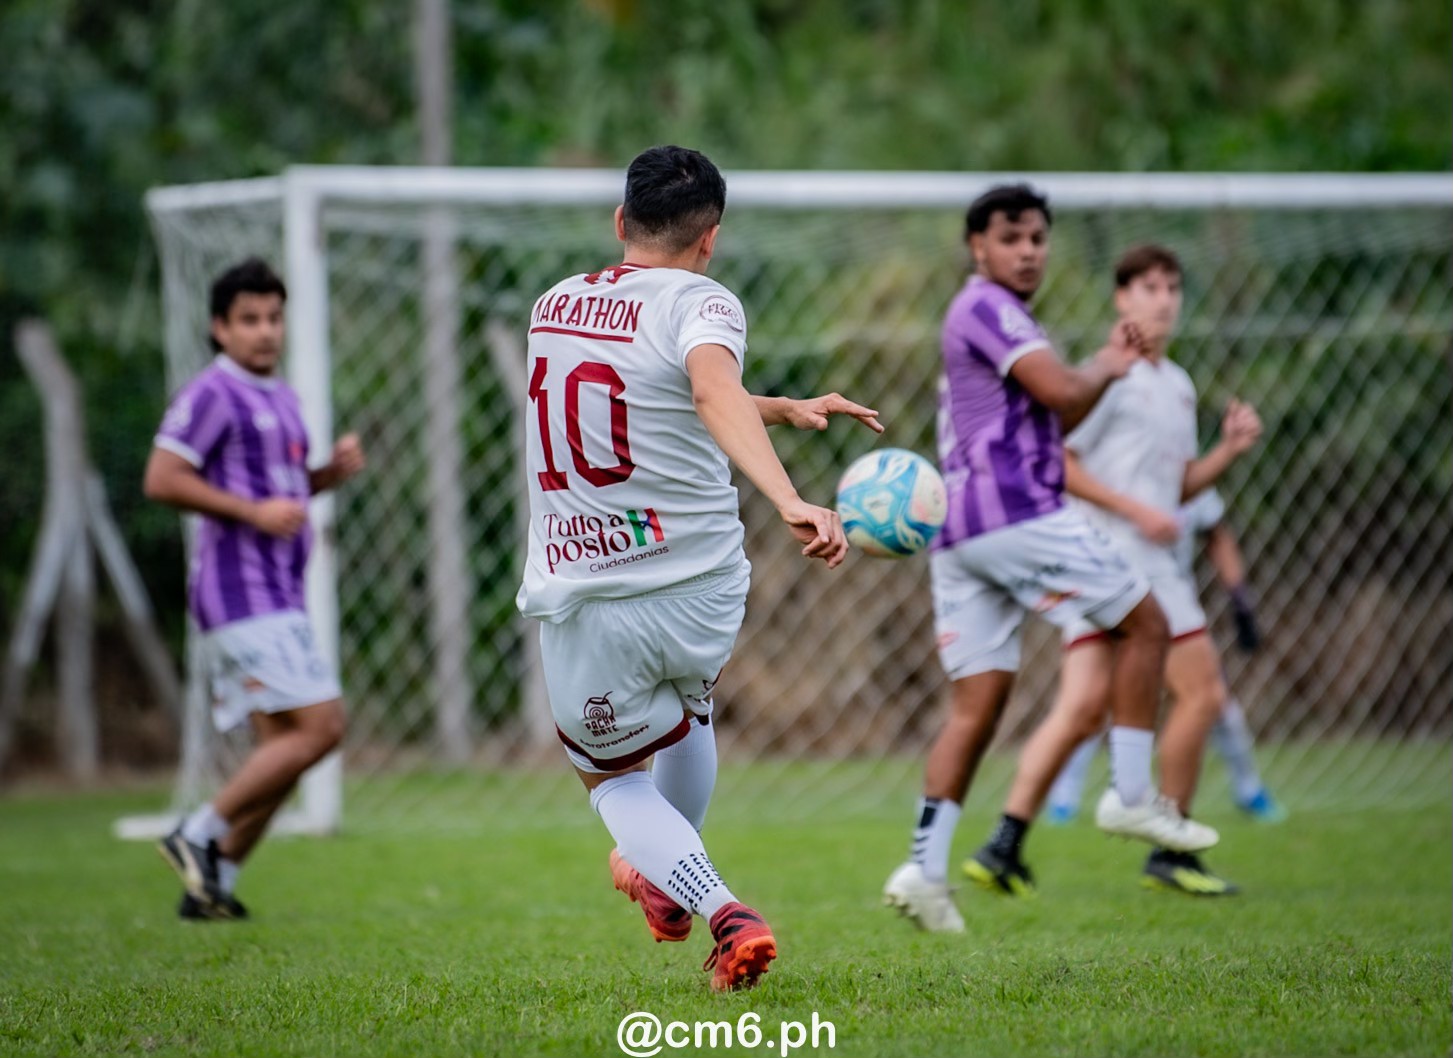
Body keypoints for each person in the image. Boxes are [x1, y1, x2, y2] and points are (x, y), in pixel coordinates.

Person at [515, 145, 882, 990]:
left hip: (596, 591)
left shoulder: (554, 304)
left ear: (619, 222)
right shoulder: (704, 301)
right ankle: (663, 883)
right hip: (705, 585)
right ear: (709, 238)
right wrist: (787, 466)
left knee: (608, 779)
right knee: (688, 715)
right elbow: (698, 387)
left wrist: (782, 469)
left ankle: (721, 910)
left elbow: (681, 388)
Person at [883, 188, 1218, 933]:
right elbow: (1066, 387)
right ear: (977, 246)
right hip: (1016, 513)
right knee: (1148, 625)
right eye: (1011, 237)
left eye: (1038, 237)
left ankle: (924, 869)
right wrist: (1105, 360)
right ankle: (1131, 796)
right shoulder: (986, 306)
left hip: (960, 532)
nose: (1029, 249)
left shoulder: (1005, 316)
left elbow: (1061, 409)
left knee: (978, 704)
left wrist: (1107, 369)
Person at [963, 243, 1263, 899]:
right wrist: (1134, 510)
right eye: (1148, 286)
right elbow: (1061, 463)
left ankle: (1002, 844)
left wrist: (1227, 452)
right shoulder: (1110, 377)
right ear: (1121, 298)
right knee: (1203, 692)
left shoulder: (1176, 385)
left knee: (1080, 709)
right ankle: (1169, 844)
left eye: (1172, 286)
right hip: (1120, 561)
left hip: (1135, 559)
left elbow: (1175, 487)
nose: (1163, 298)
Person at [145, 258, 365, 920]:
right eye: (248, 320)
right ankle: (197, 834)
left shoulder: (282, 395)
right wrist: (253, 514)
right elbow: (162, 478)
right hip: (240, 592)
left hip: (277, 589)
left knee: (283, 749)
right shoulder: (212, 393)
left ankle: (215, 884)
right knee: (323, 727)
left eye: (273, 317)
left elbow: (281, 493)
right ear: (220, 327)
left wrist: (324, 476)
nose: (265, 331)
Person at [1044, 487, 1286, 826]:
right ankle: (1063, 803)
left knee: (1210, 698)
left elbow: (1218, 535)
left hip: (1171, 602)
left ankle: (1249, 791)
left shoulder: (1183, 474)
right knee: (1088, 703)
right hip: (1109, 597)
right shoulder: (1099, 474)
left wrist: (1239, 597)